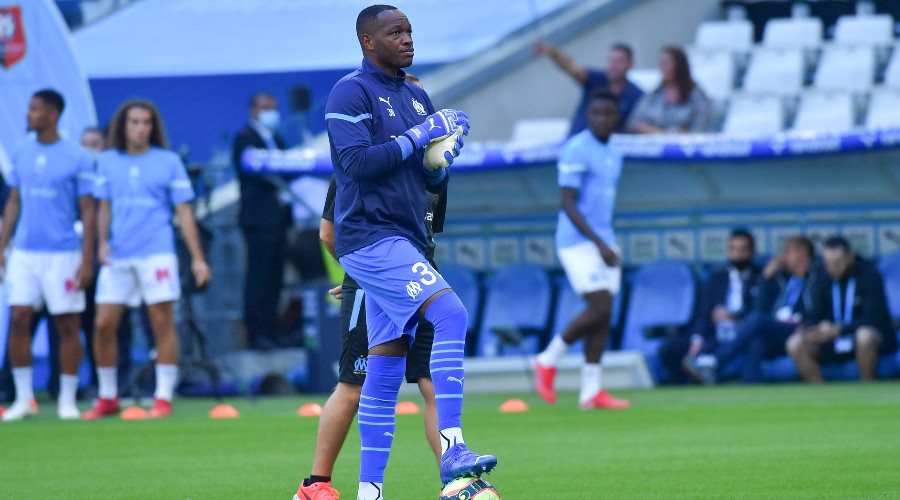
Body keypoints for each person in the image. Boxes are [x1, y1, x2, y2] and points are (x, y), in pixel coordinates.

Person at [321, 5, 494, 498]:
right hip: (372, 237)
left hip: (407, 238)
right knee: (452, 313)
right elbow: (355, 163)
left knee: (387, 363)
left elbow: (421, 175)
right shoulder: (350, 91)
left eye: (410, 31)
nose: (406, 39)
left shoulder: (416, 94)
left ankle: (369, 491)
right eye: (394, 32)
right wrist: (419, 136)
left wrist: (437, 166)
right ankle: (454, 446)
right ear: (367, 41)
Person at [295, 175, 444, 499]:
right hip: (372, 283)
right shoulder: (357, 159)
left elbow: (426, 236)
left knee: (433, 383)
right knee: (354, 384)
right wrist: (361, 271)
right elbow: (328, 233)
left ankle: (454, 482)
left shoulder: (434, 166)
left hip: (421, 281)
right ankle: (315, 485)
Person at [81, 99, 211, 420]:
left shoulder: (167, 162)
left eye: (146, 123)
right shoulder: (107, 161)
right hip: (119, 255)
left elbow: (184, 211)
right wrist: (101, 244)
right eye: (134, 122)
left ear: (153, 128)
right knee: (103, 324)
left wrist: (197, 258)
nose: (140, 128)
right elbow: (104, 207)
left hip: (157, 254)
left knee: (161, 323)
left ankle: (163, 397)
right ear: (122, 126)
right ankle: (108, 396)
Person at [531, 89, 630, 410]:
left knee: (604, 317)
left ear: (617, 117)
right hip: (577, 242)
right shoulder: (576, 149)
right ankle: (548, 360)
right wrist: (599, 244)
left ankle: (591, 391)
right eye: (597, 114)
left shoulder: (614, 152)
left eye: (608, 114)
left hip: (603, 240)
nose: (602, 119)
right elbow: (568, 203)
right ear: (589, 116)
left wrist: (607, 241)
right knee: (599, 307)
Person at [0, 89, 95, 421]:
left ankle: (67, 399)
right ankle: (24, 398)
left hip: (63, 254)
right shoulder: (22, 149)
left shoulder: (77, 156)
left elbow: (87, 210)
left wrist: (87, 258)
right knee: (19, 319)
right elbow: (13, 201)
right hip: (25, 252)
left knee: (67, 324)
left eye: (35, 109)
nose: (29, 114)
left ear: (53, 114)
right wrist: (2, 244)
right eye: (29, 108)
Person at [684, 236, 819, 384]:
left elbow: (819, 311)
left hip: (800, 331)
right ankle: (749, 390)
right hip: (777, 331)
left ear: (803, 254)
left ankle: (715, 361)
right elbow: (759, 307)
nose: (783, 256)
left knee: (758, 319)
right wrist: (766, 278)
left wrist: (808, 323)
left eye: (788, 251)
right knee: (756, 340)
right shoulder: (779, 278)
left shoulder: (817, 278)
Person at [659, 229, 763, 384]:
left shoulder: (760, 278)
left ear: (752, 252)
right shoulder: (717, 278)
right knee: (668, 349)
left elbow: (761, 313)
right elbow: (703, 313)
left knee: (756, 343)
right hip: (714, 337)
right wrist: (697, 339)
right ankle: (689, 386)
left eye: (743, 250)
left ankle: (712, 368)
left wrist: (733, 316)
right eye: (733, 250)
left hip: (742, 336)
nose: (738, 255)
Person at [787, 236, 896, 382]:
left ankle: (867, 389)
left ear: (850, 258)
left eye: (838, 262)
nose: (833, 268)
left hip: (861, 336)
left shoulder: (869, 275)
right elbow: (813, 314)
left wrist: (840, 329)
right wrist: (816, 328)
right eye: (828, 263)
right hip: (831, 340)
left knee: (865, 336)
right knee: (795, 343)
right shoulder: (822, 277)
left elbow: (874, 318)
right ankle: (820, 395)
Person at [232, 91, 292, 350]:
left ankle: (273, 329)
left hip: (279, 220)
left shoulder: (276, 138)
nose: (271, 113)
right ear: (253, 110)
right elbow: (251, 174)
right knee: (259, 278)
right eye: (266, 108)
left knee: (276, 278)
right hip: (258, 220)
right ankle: (256, 333)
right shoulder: (245, 139)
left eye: (274, 107)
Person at [534, 41, 643, 135]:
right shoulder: (596, 79)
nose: (613, 65)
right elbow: (571, 67)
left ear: (630, 64)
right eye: (611, 60)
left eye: (619, 61)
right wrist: (551, 52)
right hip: (575, 140)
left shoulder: (636, 95)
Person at [627, 45, 710, 134]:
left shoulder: (696, 94)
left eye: (667, 63)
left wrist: (679, 134)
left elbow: (701, 127)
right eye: (661, 64)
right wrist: (656, 132)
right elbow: (634, 121)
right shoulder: (655, 93)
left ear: (679, 65)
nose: (663, 68)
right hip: (655, 143)